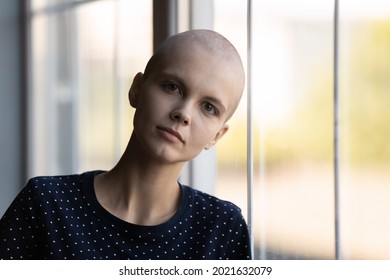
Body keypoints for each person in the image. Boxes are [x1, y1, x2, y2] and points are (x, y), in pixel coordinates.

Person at [0, 29, 251, 260]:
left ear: (216, 136)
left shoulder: (223, 229)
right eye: (172, 87)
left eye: (209, 107)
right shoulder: (46, 204)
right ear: (136, 89)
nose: (183, 113)